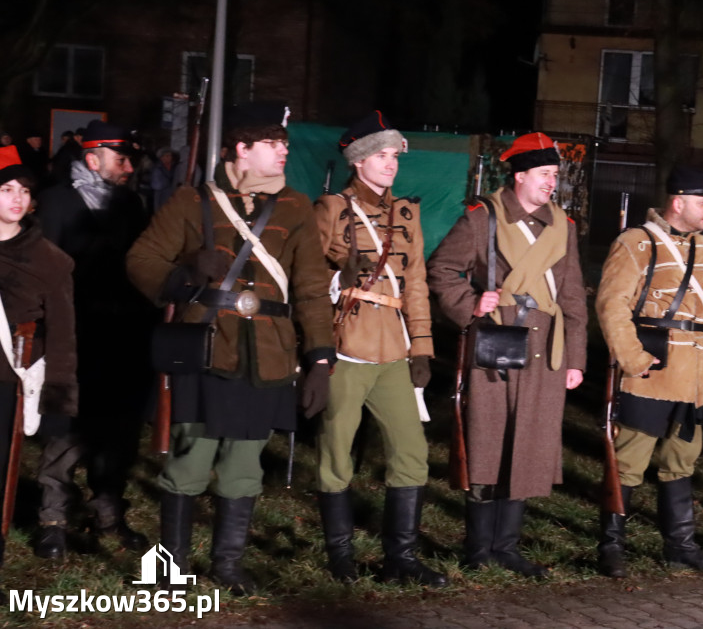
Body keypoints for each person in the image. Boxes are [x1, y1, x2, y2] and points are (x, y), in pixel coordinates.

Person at [126, 102, 335, 595]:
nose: (284, 151)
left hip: (270, 354)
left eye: (285, 144)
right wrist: (180, 277)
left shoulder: (296, 207)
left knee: (244, 465)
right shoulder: (191, 201)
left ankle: (228, 566)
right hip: (206, 349)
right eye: (272, 143)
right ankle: (172, 569)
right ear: (242, 149)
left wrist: (320, 357)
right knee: (190, 461)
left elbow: (309, 286)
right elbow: (141, 259)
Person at [428, 132, 588, 578]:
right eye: (544, 174)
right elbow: (441, 270)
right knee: (488, 439)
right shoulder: (484, 218)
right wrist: (469, 305)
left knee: (530, 444)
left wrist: (576, 359)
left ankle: (508, 546)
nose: (551, 183)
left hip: (545, 348)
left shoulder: (564, 227)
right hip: (497, 340)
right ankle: (478, 547)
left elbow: (573, 296)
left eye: (555, 175)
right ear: (519, 176)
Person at [593, 165, 703, 578]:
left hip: (695, 376)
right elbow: (612, 307)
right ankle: (611, 546)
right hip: (652, 369)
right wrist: (635, 360)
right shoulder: (635, 243)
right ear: (678, 202)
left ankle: (680, 546)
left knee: (682, 460)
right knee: (629, 461)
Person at [312, 111, 446, 587]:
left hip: (394, 347)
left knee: (411, 453)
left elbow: (416, 285)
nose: (391, 165)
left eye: (394, 156)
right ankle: (340, 556)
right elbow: (307, 276)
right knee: (337, 454)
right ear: (359, 159)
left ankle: (400, 559)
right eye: (382, 156)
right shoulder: (331, 207)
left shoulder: (405, 213)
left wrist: (423, 349)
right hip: (347, 343)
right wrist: (335, 278)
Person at [34, 120, 154, 559]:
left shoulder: (132, 206)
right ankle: (53, 518)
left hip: (124, 334)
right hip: (74, 334)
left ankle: (108, 513)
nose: (127, 167)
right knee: (65, 428)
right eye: (121, 158)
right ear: (93, 158)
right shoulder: (55, 203)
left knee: (117, 432)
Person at [0, 147, 77, 568]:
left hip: (11, 380)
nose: (17, 198)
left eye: (25, 190)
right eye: (7, 189)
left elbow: (63, 334)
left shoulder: (49, 260)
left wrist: (61, 393)